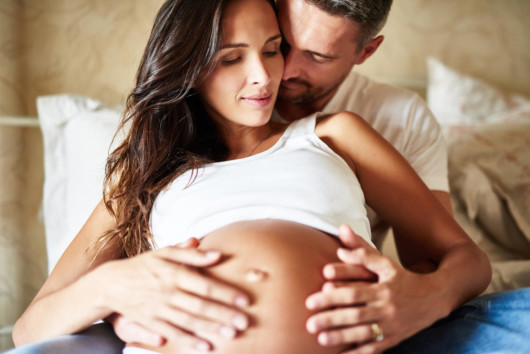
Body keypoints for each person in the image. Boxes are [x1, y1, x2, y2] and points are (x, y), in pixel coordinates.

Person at [10, 0, 495, 353]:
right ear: (190, 68)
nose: (268, 77)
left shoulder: (335, 133)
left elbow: (463, 259)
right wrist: (112, 288)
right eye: (231, 57)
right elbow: (29, 330)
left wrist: (415, 297)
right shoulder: (147, 171)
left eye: (271, 49)